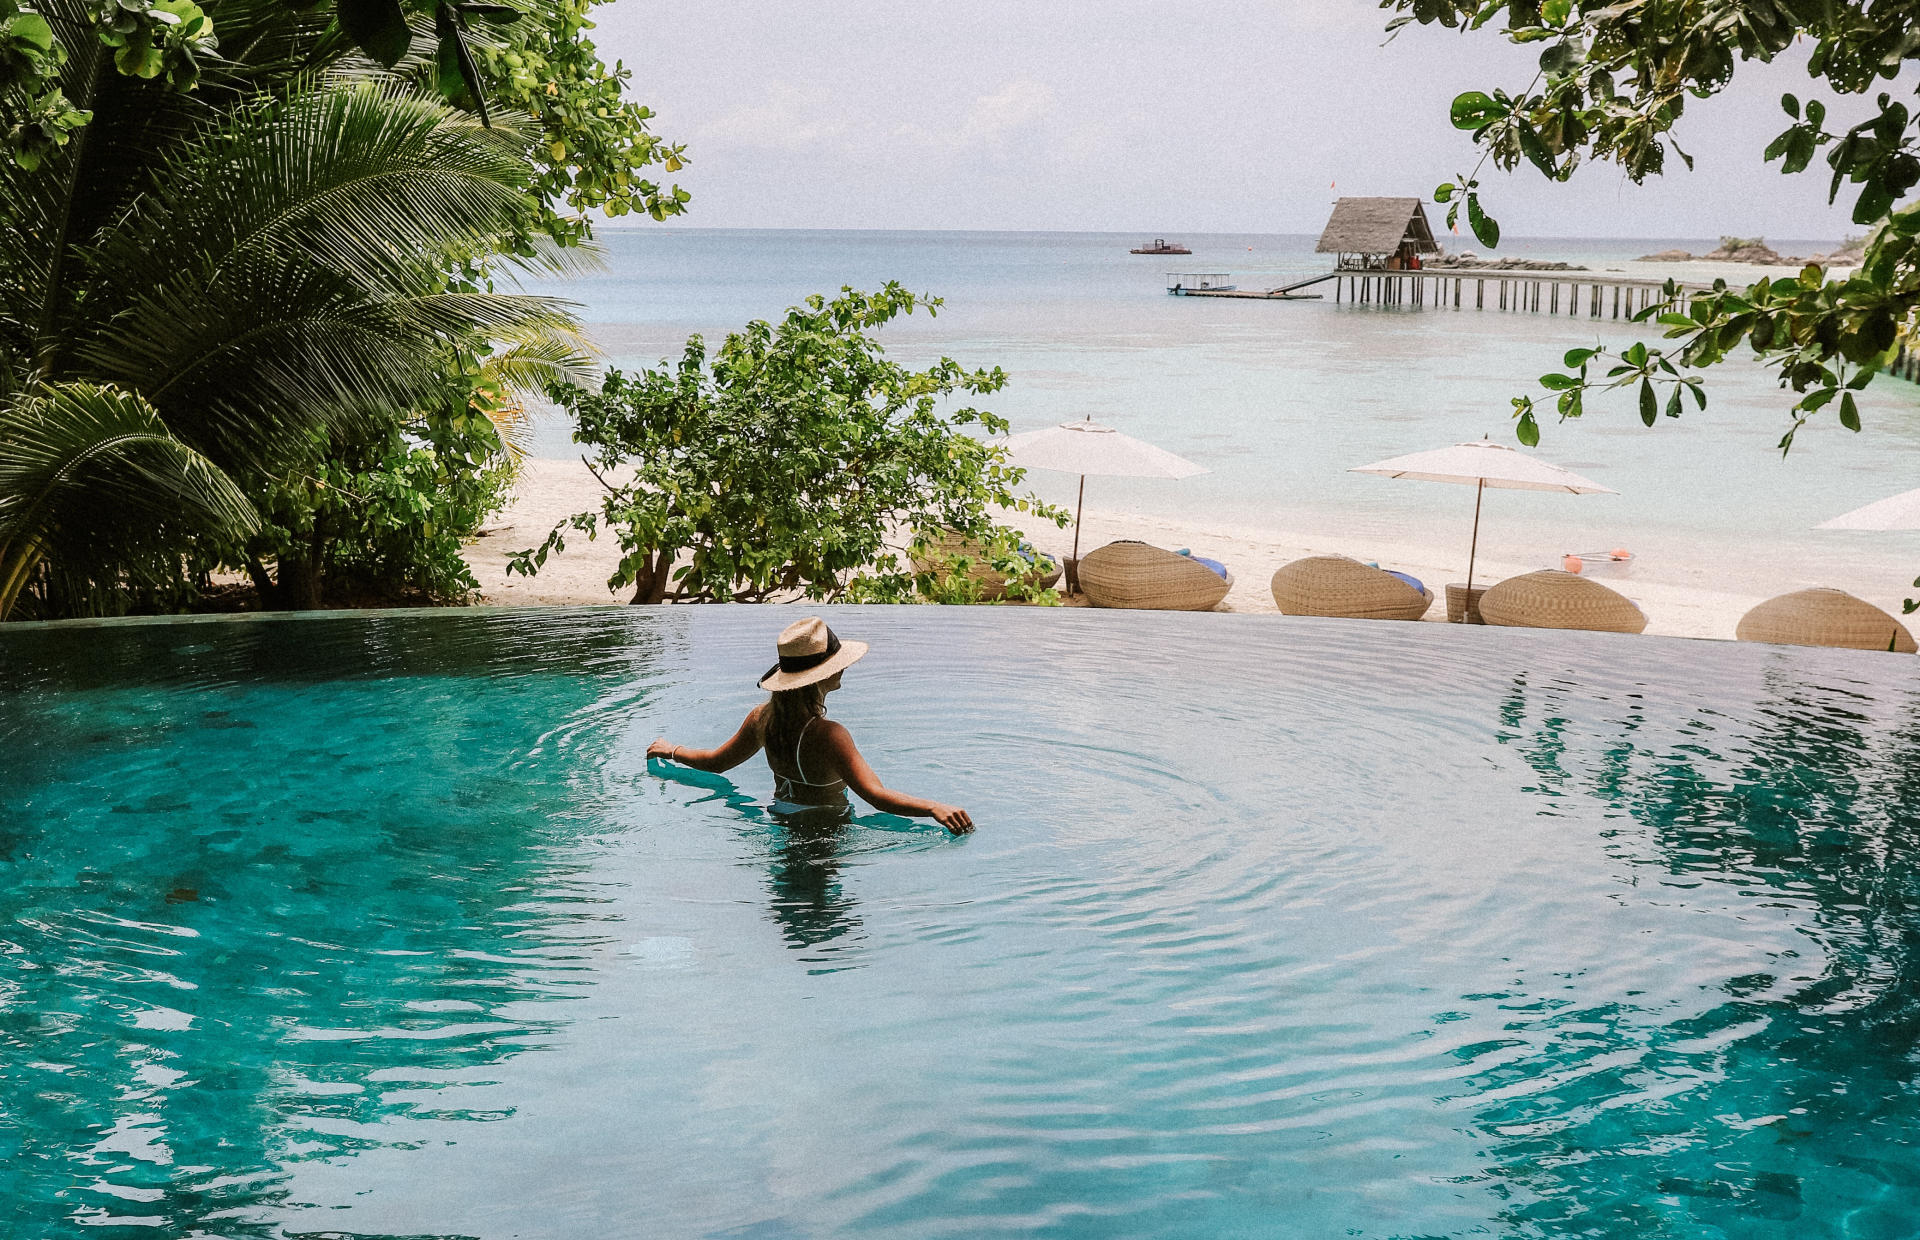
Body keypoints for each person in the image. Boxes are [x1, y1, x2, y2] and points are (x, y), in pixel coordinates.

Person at [647, 617, 975, 834]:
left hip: (779, 820)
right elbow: (876, 796)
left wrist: (672, 750)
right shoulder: (830, 734)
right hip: (826, 831)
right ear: (821, 676)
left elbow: (716, 763)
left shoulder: (762, 718)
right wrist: (934, 806)